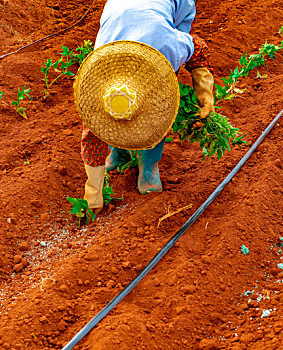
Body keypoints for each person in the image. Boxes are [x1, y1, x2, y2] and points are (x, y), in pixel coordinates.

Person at [74, 0, 214, 214]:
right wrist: (93, 193)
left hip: (163, 21)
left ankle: (148, 167)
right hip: (119, 12)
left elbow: (197, 49)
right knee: (116, 108)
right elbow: (91, 136)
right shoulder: (97, 70)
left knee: (160, 101)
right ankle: (118, 152)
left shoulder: (168, 44)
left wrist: (205, 94)